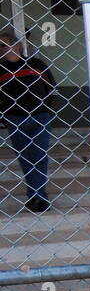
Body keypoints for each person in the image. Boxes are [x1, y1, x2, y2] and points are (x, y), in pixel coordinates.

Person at [0, 28, 56, 213]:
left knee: (39, 156)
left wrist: (46, 108)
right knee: (25, 158)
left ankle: (38, 197)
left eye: (10, 44)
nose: (6, 48)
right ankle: (37, 197)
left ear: (18, 46)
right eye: (2, 45)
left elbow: (51, 88)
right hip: (15, 119)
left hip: (40, 117)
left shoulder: (36, 64)